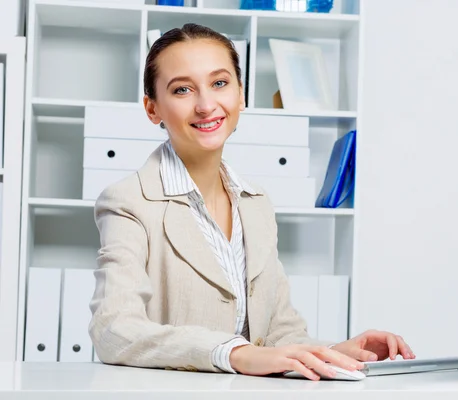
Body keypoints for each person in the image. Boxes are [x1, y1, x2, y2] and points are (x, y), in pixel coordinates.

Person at [88, 23, 414, 381]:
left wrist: (338, 352)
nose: (206, 104)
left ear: (241, 95)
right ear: (153, 109)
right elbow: (113, 330)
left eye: (220, 83)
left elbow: (277, 334)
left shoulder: (256, 203)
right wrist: (235, 353)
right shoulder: (129, 201)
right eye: (182, 89)